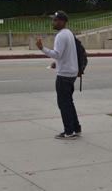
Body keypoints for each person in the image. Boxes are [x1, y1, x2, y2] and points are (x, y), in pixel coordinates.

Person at [36, 11, 81, 140]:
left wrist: (42, 48)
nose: (53, 22)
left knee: (63, 103)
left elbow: (57, 54)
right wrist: (57, 62)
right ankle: (76, 128)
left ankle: (69, 131)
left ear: (62, 21)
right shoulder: (68, 33)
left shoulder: (61, 36)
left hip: (64, 74)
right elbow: (64, 54)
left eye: (55, 20)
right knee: (69, 102)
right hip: (71, 72)